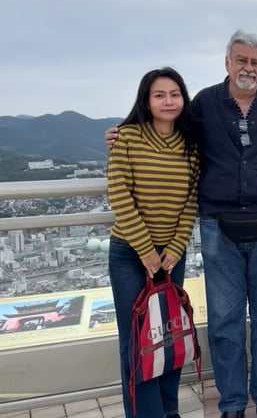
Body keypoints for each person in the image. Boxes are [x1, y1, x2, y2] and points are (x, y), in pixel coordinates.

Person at [107, 30, 257, 418]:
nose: (248, 67)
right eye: (241, 59)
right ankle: (231, 403)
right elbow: (169, 132)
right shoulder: (204, 104)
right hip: (217, 224)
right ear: (227, 62)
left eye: (255, 62)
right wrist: (120, 132)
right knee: (224, 319)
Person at [107, 67, 200, 418]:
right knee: (138, 342)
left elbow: (191, 200)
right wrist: (146, 250)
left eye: (174, 94)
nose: (168, 101)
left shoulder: (190, 143)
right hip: (130, 254)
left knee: (169, 337)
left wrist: (175, 247)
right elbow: (120, 194)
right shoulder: (127, 138)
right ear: (146, 100)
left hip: (171, 258)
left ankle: (168, 410)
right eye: (159, 95)